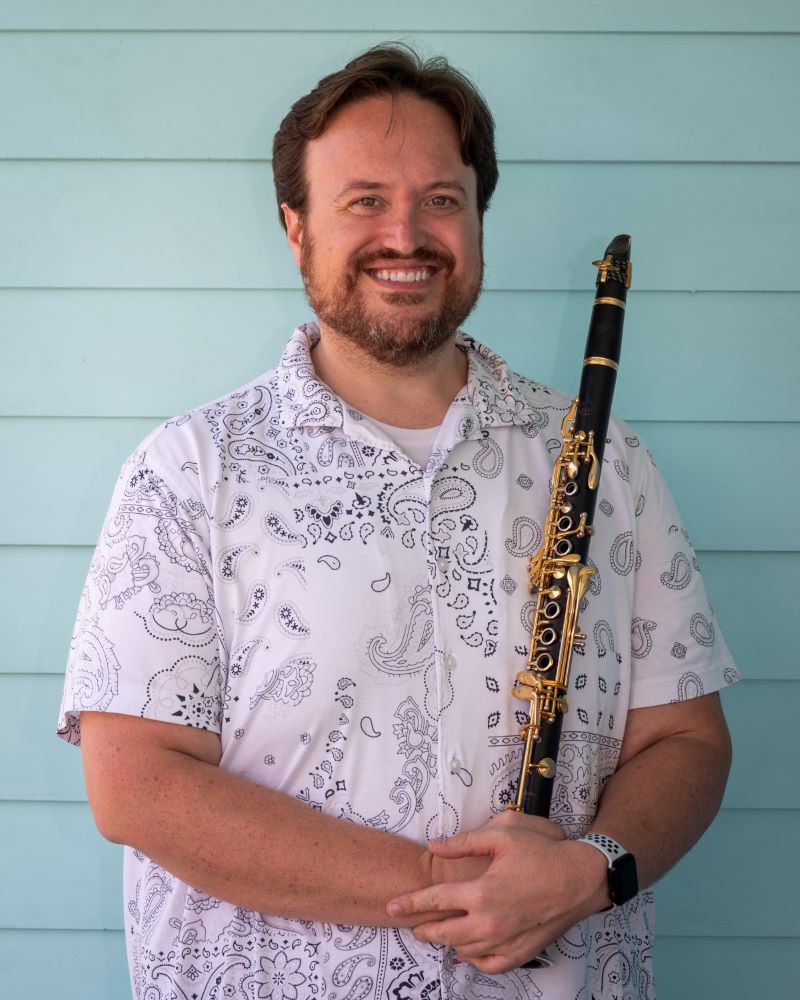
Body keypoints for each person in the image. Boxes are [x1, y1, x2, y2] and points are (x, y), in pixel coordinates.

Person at [58, 44, 739, 1000]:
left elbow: (690, 743)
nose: (407, 233)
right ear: (296, 229)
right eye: (364, 200)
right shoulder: (189, 471)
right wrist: (460, 892)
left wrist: (592, 870)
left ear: (477, 218)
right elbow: (137, 786)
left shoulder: (607, 457)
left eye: (442, 199)